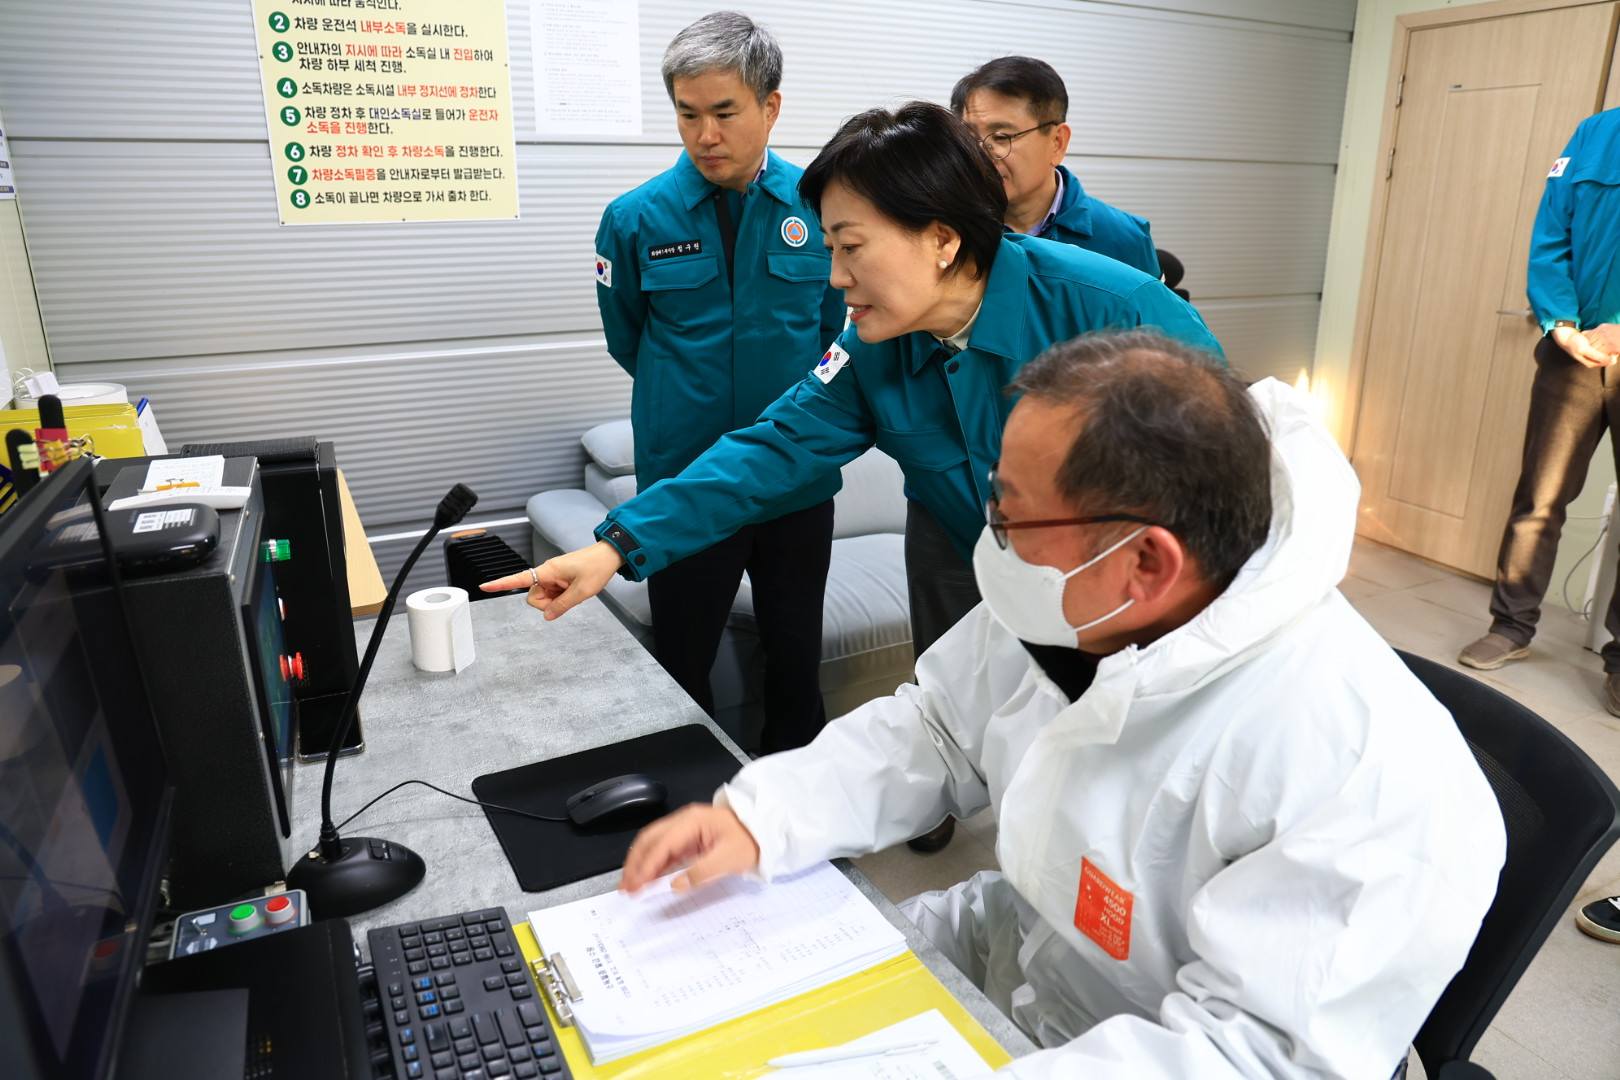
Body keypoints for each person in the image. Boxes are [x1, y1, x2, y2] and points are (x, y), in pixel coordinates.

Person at [617, 331, 1506, 1079]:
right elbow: (935, 726)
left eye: (1009, 518)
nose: (990, 543)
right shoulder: (1084, 601)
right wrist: (762, 819)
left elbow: (1245, 1056)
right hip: (1031, 960)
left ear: (1147, 563)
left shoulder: (1368, 771)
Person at [485, 102, 1221, 850]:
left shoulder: (1118, 314)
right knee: (972, 728)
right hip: (969, 544)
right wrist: (613, 545)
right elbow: (774, 446)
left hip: (1129, 595)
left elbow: (1220, 498)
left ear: (939, 238)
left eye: (850, 247)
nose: (834, 276)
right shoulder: (876, 345)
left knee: (1132, 794)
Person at [587, 13, 846, 752]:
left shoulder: (819, 202)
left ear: (770, 105)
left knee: (797, 656)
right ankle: (686, 796)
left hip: (795, 478)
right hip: (686, 482)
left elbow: (835, 329)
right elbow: (628, 338)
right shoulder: (633, 219)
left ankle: (794, 803)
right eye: (688, 114)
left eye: (725, 112)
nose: (705, 134)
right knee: (681, 658)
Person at [1453, 107, 1620, 944]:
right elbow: (1549, 234)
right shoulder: (1593, 136)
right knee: (1540, 495)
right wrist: (1564, 324)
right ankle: (1511, 622)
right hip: (1573, 352)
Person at [952, 56, 1159, 275]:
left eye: (1002, 137)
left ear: (1057, 143)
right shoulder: (948, 231)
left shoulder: (1123, 239)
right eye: (969, 136)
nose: (981, 155)